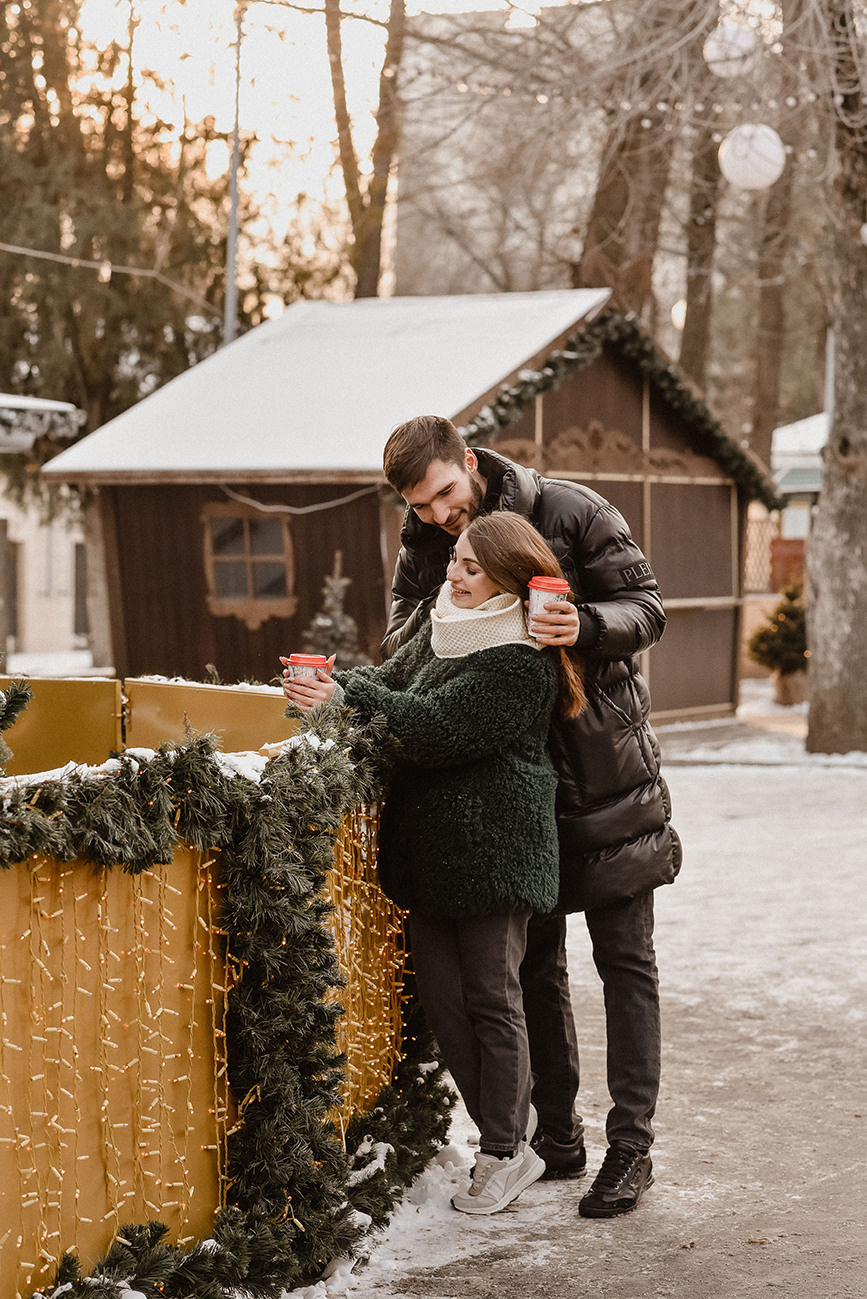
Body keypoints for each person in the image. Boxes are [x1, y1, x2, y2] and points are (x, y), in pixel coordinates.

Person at [378, 415, 682, 1220]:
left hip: (603, 777)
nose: (441, 516)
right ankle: (558, 1134)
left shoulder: (573, 511)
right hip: (510, 798)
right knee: (529, 973)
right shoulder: (425, 544)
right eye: (422, 506)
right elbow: (408, 639)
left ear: (468, 463)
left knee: (625, 962)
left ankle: (630, 1145)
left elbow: (646, 608)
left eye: (446, 493)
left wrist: (581, 624)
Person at [283, 512, 585, 1216]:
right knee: (449, 1010)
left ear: (509, 581)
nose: (453, 573)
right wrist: (326, 691)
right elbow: (390, 681)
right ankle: (509, 1129)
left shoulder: (519, 659)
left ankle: (504, 1151)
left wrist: (348, 697)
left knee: (492, 1001)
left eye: (472, 567)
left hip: (495, 857)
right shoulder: (440, 622)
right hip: (430, 856)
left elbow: (438, 728)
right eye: (454, 558)